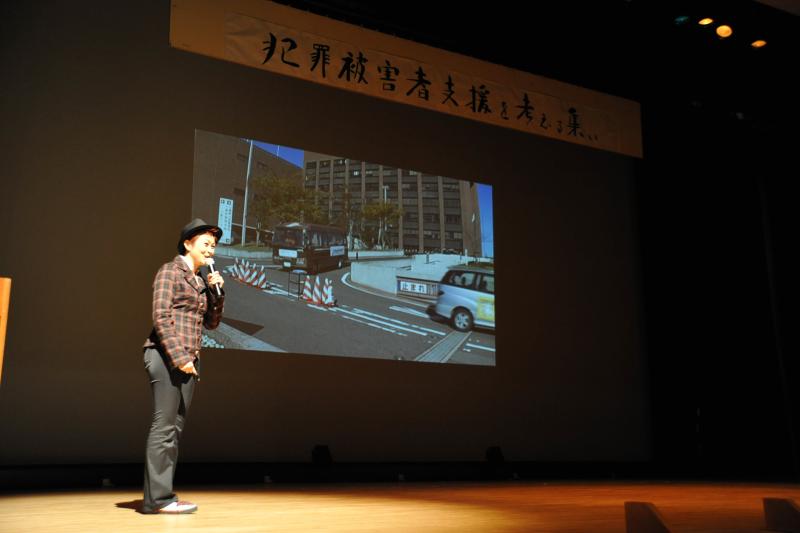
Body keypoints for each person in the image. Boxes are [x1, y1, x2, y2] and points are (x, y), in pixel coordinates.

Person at [141, 219, 225, 514]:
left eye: (214, 245)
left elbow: (211, 324)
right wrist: (180, 358)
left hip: (189, 359)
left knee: (174, 430)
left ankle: (163, 496)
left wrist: (217, 292)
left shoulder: (201, 281)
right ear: (188, 243)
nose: (211, 250)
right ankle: (157, 500)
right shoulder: (169, 271)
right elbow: (161, 317)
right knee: (164, 427)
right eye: (206, 244)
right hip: (165, 357)